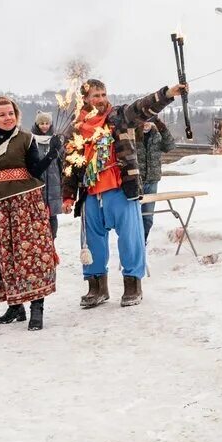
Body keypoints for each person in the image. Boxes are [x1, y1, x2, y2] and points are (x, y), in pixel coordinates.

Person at [62, 79, 187, 309]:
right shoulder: (77, 127)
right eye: (95, 96)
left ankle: (132, 286)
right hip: (91, 192)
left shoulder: (119, 117)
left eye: (103, 94)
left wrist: (168, 93)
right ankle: (96, 288)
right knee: (91, 243)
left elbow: (142, 107)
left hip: (120, 188)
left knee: (131, 239)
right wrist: (68, 195)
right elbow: (70, 163)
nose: (100, 99)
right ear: (85, 99)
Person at [0, 97, 60, 331]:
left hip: (25, 206)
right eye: (2, 114)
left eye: (11, 113)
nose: (8, 117)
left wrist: (51, 154)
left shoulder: (25, 139)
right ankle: (15, 305)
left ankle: (36, 308)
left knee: (30, 256)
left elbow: (35, 171)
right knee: (5, 257)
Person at [137, 117, 176, 242]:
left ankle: (142, 243)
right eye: (144, 120)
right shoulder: (133, 135)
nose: (146, 123)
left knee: (148, 218)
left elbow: (170, 146)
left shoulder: (157, 135)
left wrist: (161, 126)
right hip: (135, 182)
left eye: (149, 120)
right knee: (133, 217)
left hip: (152, 181)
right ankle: (135, 245)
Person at [31, 112, 63, 239]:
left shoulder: (55, 140)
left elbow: (62, 162)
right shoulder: (31, 140)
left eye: (47, 123)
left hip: (54, 185)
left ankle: (52, 243)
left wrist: (59, 150)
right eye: (41, 123)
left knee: (52, 217)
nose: (44, 126)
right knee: (37, 217)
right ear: (37, 124)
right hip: (38, 184)